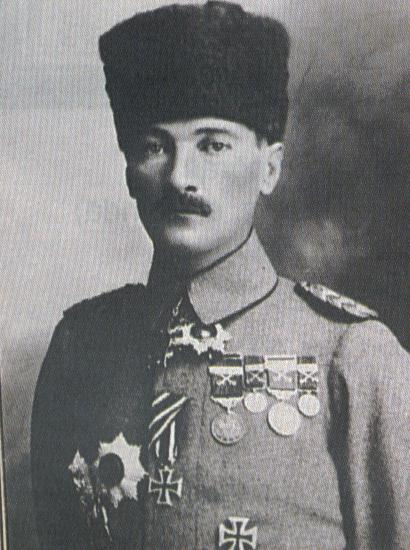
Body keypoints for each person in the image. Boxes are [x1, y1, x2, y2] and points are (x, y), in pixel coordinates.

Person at [31, 2, 410, 549]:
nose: (180, 177)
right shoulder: (81, 347)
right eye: (154, 147)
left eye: (212, 144)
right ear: (130, 174)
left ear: (269, 167)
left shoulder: (351, 356)